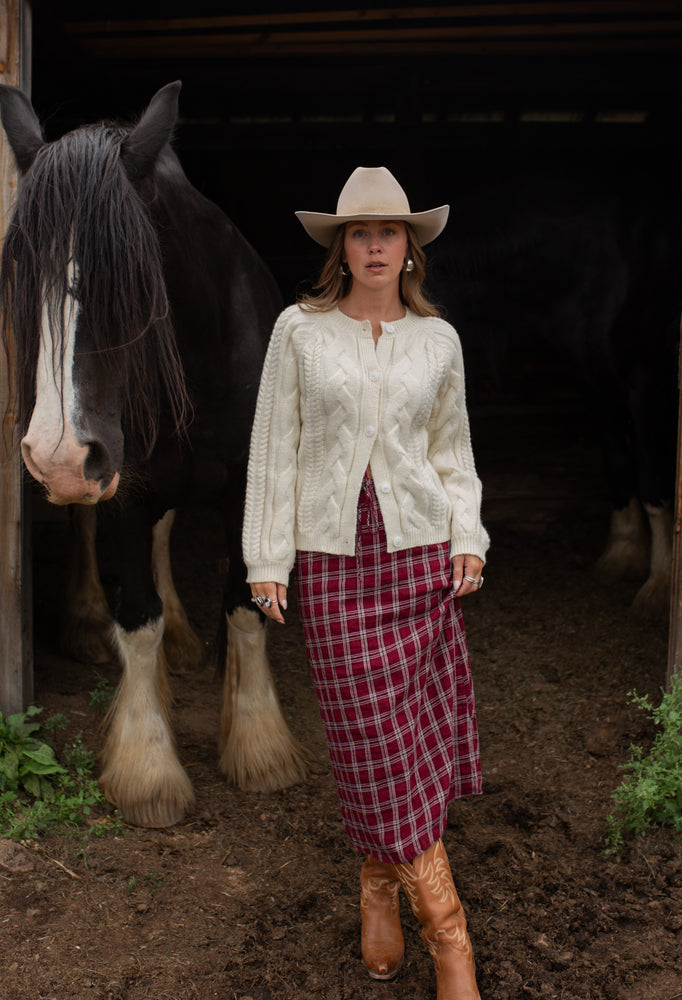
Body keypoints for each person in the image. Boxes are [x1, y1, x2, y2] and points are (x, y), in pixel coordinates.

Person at [242, 166, 489, 999]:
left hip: (421, 557)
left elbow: (452, 452)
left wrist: (471, 537)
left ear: (410, 248)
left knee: (408, 741)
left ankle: (379, 888)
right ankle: (447, 928)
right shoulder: (298, 332)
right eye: (360, 233)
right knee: (369, 740)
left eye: (391, 232)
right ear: (340, 249)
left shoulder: (439, 341)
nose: (377, 245)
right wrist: (267, 559)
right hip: (335, 562)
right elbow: (275, 448)